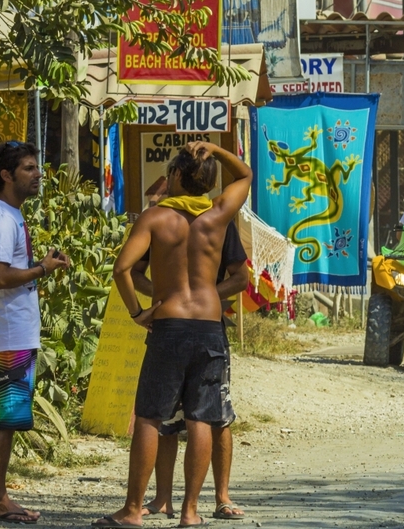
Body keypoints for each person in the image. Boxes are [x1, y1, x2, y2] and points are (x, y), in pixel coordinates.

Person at [96, 142, 252, 529]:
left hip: (168, 325)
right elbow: (245, 174)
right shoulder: (219, 215)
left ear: (178, 178)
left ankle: (133, 511)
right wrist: (215, 149)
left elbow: (122, 270)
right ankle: (191, 513)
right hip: (209, 327)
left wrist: (138, 311)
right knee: (201, 418)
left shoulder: (155, 218)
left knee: (150, 416)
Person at [133, 176, 251, 522]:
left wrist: (209, 295)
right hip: (181, 323)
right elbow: (136, 270)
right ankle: (168, 500)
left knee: (214, 415)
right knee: (172, 417)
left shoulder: (216, 219)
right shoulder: (165, 218)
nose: (162, 190)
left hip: (203, 324)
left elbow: (240, 277)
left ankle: (221, 495)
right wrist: (163, 292)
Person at [0, 141, 70, 524]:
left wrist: (39, 265)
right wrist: (43, 270)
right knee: (5, 417)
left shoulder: (10, 215)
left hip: (16, 330)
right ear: (6, 175)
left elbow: (9, 271)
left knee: (10, 417)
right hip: (8, 332)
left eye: (37, 167)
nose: (38, 175)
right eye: (29, 168)